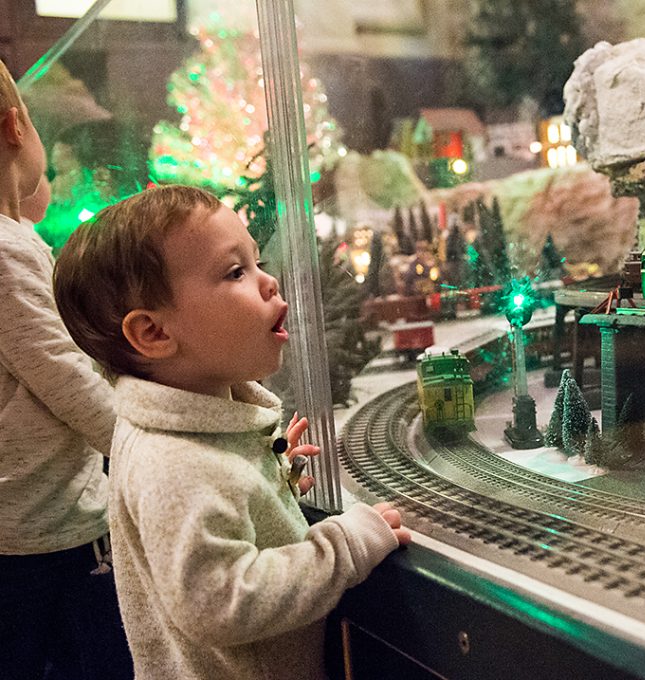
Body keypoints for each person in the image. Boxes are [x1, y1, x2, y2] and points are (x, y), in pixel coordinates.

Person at [53, 184, 411, 680]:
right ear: (154, 333)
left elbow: (216, 508)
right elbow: (218, 600)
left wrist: (272, 483)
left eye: (257, 262)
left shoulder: (190, 430)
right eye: (235, 272)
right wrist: (343, 547)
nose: (269, 283)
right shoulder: (174, 462)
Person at [0, 60, 133, 680]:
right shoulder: (6, 252)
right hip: (45, 536)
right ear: (16, 126)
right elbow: (69, 382)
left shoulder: (16, 238)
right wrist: (154, 448)